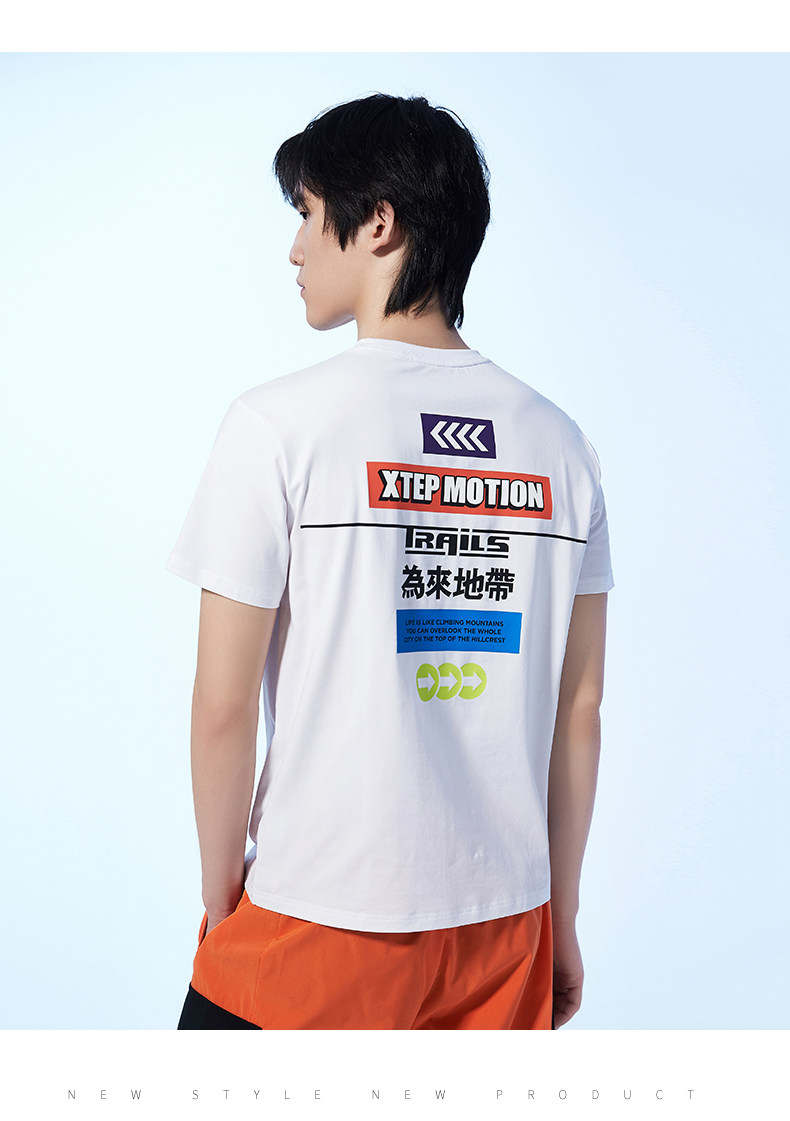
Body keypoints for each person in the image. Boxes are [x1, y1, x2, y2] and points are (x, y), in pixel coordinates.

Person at [165, 92, 613, 1030]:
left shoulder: (276, 427)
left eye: (305, 213)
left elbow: (221, 707)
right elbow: (578, 710)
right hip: (506, 932)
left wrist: (220, 899)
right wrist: (560, 918)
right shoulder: (562, 446)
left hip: (317, 920)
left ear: (378, 223)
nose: (295, 250)